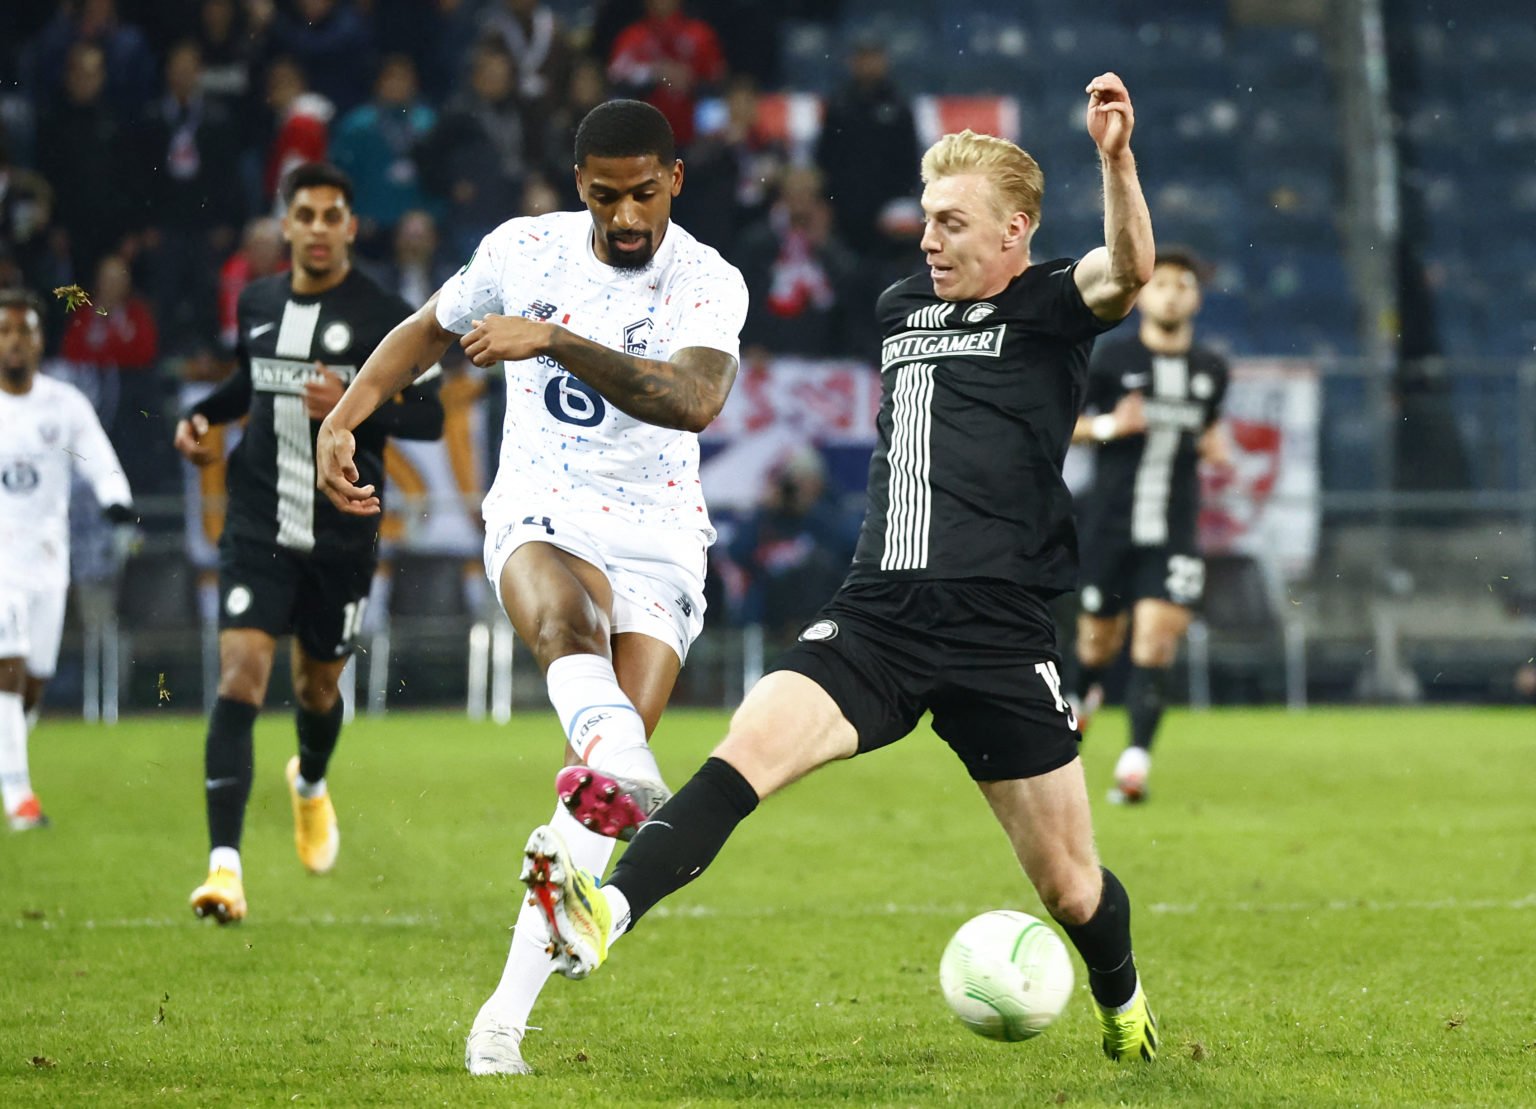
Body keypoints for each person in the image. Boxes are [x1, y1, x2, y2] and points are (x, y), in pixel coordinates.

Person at [520, 74, 1165, 1064]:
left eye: (953, 222)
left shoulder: (1050, 304)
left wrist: (1115, 161)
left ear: (1014, 231)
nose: (928, 238)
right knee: (747, 747)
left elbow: (1128, 272)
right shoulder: (903, 304)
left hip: (999, 631)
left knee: (1072, 888)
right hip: (877, 616)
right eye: (925, 218)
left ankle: (1123, 1005)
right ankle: (606, 910)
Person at [314, 98, 747, 1077]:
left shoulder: (708, 280)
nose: (627, 217)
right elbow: (425, 331)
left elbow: (694, 397)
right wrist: (347, 414)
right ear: (578, 186)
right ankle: (611, 745)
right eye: (606, 196)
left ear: (676, 179)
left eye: (644, 194)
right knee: (565, 622)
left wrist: (550, 341)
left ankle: (500, 1019)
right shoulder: (524, 250)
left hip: (664, 538)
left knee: (595, 808)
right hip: (544, 509)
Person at [172, 162, 443, 924]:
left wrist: (357, 405)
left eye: (333, 215)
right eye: (306, 215)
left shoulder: (386, 311)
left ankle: (311, 783)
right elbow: (248, 385)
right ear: (285, 225)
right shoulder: (258, 302)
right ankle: (224, 870)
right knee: (240, 676)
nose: (319, 228)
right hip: (259, 521)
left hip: (342, 534)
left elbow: (430, 419)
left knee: (318, 689)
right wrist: (201, 416)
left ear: (352, 227)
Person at [1068, 249, 1229, 804]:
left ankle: (1134, 765)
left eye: (1184, 285)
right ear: (1142, 296)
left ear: (1196, 299)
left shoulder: (1211, 369)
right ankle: (1080, 705)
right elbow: (1062, 426)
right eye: (1162, 284)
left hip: (1174, 529)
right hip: (1110, 526)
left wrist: (1214, 446)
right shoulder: (1113, 360)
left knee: (1156, 642)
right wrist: (1113, 424)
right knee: (1096, 644)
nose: (1173, 294)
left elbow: (1208, 432)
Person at [0, 287, 136, 830]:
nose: (14, 342)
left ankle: (10, 765)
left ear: (39, 341)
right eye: (4, 332)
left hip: (48, 562)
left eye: (23, 331)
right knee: (6, 672)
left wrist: (117, 501)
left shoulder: (64, 404)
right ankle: (19, 800)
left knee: (34, 682)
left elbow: (99, 458)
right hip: (0, 564)